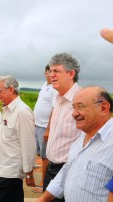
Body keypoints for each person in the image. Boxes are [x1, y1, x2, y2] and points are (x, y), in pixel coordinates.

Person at [37, 86, 113, 202]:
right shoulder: (82, 136)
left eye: (80, 107)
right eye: (73, 107)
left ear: (103, 108)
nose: (73, 114)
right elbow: (66, 171)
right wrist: (43, 199)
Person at [0, 75, 36, 202]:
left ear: (11, 90)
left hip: (10, 171)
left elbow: (28, 144)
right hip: (4, 168)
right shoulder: (7, 110)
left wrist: (29, 173)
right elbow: (2, 138)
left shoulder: (22, 112)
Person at [43, 53, 82, 202]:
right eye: (51, 71)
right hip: (51, 169)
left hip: (70, 172)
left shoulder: (82, 99)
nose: (51, 75)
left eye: (56, 71)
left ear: (71, 73)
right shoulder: (57, 97)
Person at [32, 65, 57, 193]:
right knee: (39, 153)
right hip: (38, 125)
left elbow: (54, 109)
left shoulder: (54, 88)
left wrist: (48, 129)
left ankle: (44, 183)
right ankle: (47, 180)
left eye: (52, 71)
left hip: (45, 127)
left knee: (45, 157)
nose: (49, 74)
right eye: (48, 71)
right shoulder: (44, 85)